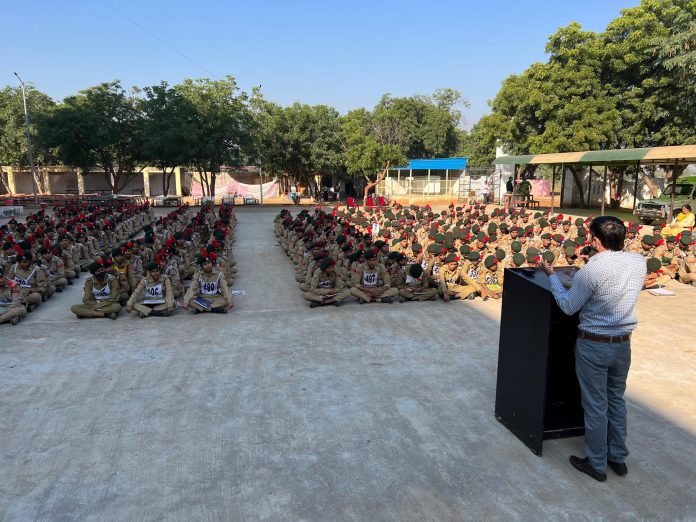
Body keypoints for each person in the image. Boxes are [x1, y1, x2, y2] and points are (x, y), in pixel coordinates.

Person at [539, 216, 646, 482]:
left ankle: (597, 464)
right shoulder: (638, 262)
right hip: (622, 344)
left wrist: (552, 276)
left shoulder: (591, 271)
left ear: (595, 240)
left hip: (594, 345)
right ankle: (617, 457)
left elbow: (567, 306)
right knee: (617, 402)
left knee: (596, 406)